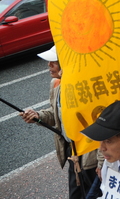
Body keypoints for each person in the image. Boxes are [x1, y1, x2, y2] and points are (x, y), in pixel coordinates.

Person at [20, 46, 98, 199]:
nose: (48, 65)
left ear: (66, 64)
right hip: (72, 152)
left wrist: (102, 162)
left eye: (53, 62)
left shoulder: (86, 86)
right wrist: (37, 115)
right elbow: (56, 114)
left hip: (90, 154)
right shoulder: (56, 84)